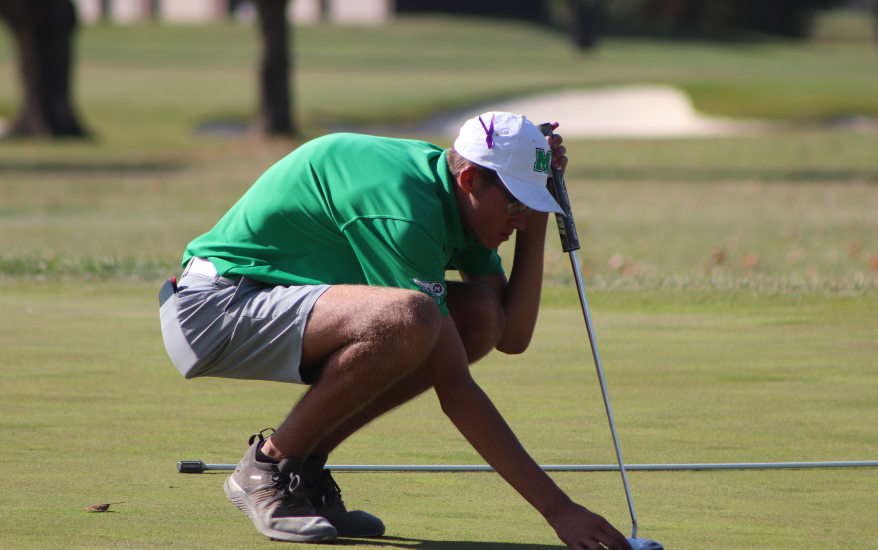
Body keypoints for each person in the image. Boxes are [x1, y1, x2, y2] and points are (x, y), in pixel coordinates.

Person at [158, 112, 633, 550]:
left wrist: (535, 218)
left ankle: (301, 470)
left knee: (478, 314)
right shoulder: (405, 209)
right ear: (470, 178)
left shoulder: (456, 199)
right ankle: (267, 467)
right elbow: (454, 386)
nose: (521, 218)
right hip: (214, 308)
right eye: (515, 203)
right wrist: (559, 511)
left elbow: (508, 334)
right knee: (413, 317)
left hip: (267, 302)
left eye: (529, 204)